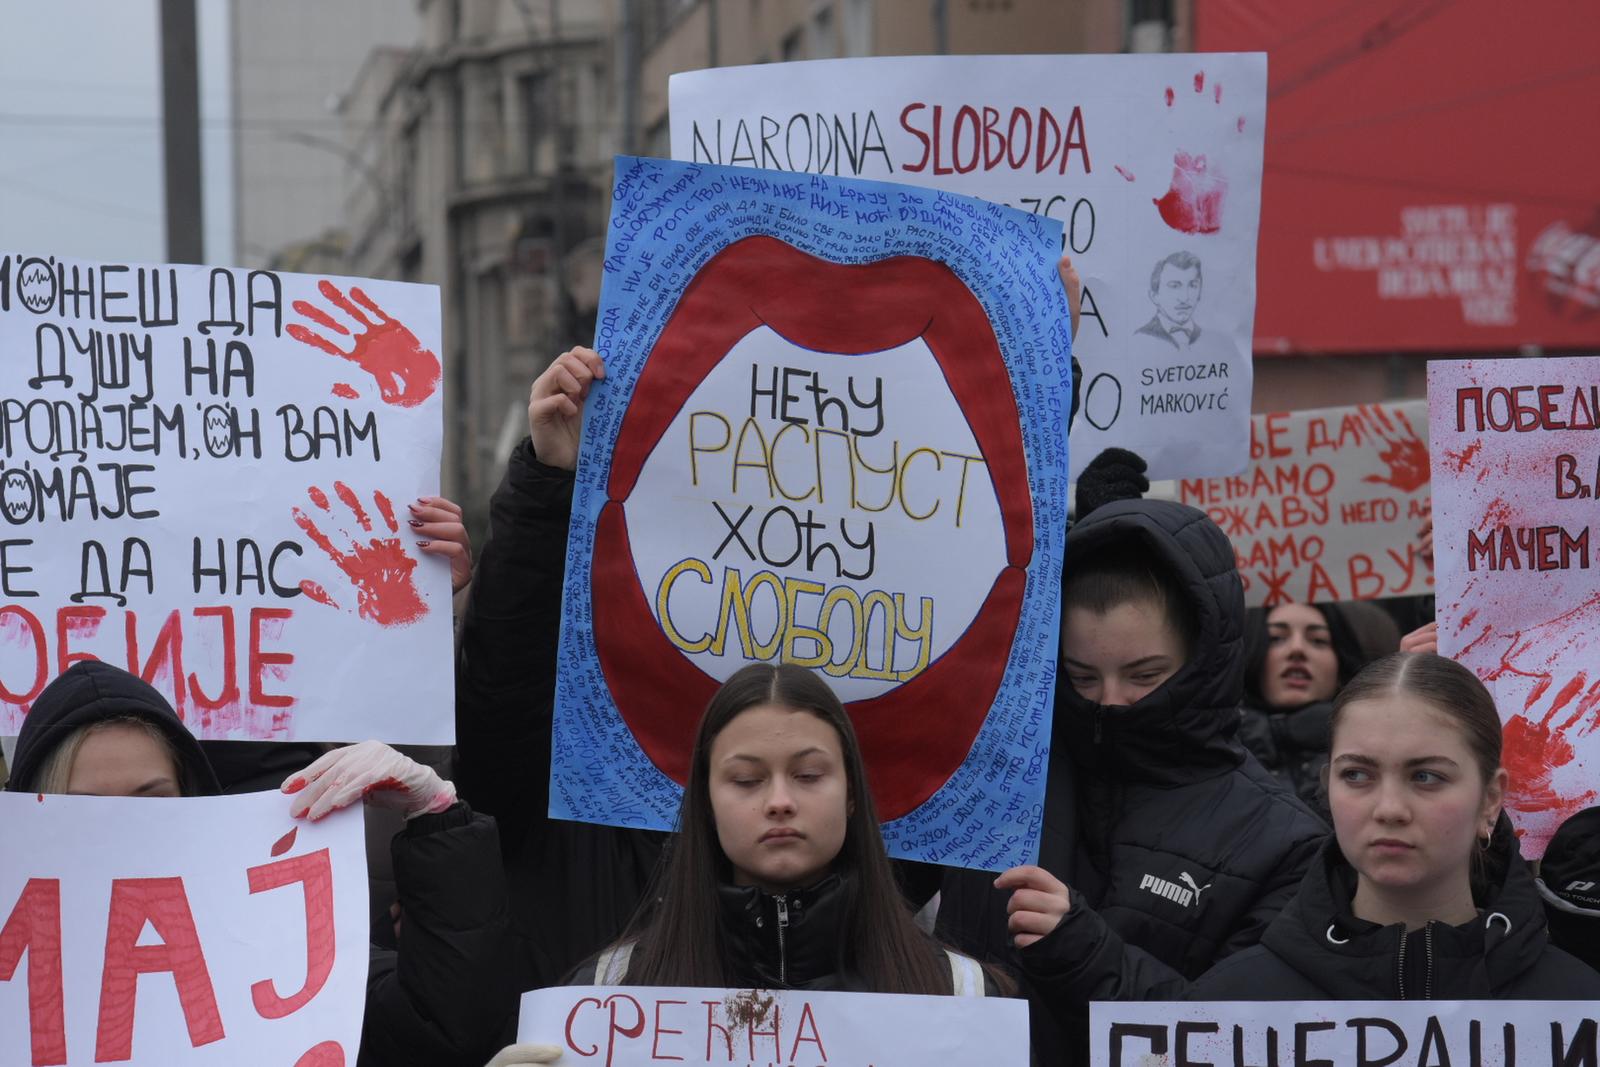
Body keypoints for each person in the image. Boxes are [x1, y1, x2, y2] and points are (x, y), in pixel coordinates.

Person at [934, 499, 1327, 1062]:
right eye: (1082, 676)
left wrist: (1084, 952)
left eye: (1145, 675)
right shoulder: (995, 772)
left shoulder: (1285, 841)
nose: (1111, 703)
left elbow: (1242, 1042)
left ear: (1204, 658)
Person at [6, 660, 514, 1066]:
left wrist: (435, 816)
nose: (125, 830)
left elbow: (439, 1034)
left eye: (151, 800)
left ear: (192, 798)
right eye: (88, 808)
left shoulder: (274, 945)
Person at [489, 664, 1001, 1065]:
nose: (779, 800)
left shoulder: (964, 995)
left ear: (851, 795)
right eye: (746, 780)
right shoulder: (605, 997)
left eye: (808, 774)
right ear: (706, 805)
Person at [1187, 652, 1600, 998]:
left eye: (1426, 777)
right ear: (1327, 783)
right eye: (1357, 775)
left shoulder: (1575, 1005)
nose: (1389, 809)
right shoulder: (1232, 1004)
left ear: (1490, 799)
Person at [1237, 602, 1366, 809]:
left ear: (1341, 667)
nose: (1297, 649)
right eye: (1276, 638)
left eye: (1318, 641)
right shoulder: (1211, 754)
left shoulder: (1371, 753)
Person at [1135, 251, 1203, 349]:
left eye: (1193, 285)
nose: (1184, 298)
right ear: (1154, 296)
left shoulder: (1212, 338)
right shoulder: (1139, 338)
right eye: (1174, 286)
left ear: (1200, 292)